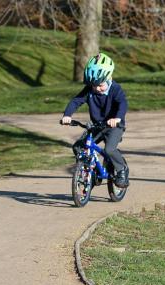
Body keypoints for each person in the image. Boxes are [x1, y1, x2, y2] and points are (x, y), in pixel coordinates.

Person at [60, 52, 129, 188]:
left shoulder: (115, 89)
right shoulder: (90, 90)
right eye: (94, 86)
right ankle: (89, 171)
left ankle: (121, 170)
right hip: (96, 126)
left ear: (109, 77)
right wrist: (67, 115)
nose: (97, 88)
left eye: (100, 85)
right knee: (79, 147)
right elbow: (76, 101)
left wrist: (117, 118)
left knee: (109, 150)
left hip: (114, 126)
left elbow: (123, 104)